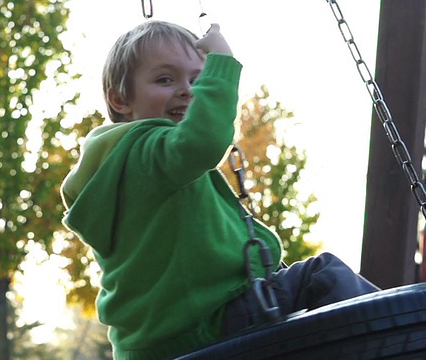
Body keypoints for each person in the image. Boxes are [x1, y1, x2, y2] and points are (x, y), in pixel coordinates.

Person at [60, 20, 379, 359]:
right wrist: (221, 61)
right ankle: (410, 329)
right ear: (120, 99)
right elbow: (204, 140)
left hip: (158, 340)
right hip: (207, 322)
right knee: (320, 277)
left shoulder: (123, 171)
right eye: (165, 79)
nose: (188, 90)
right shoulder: (146, 153)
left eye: (198, 79)